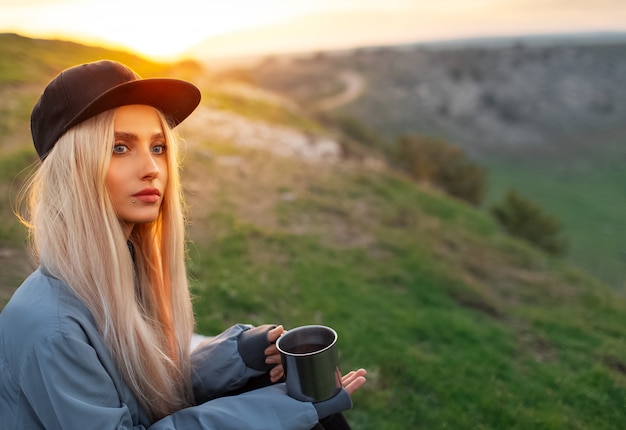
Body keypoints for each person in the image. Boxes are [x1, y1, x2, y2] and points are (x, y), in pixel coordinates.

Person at [0, 60, 366, 429]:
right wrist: (280, 409)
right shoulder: (54, 328)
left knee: (293, 388)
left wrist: (239, 354)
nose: (152, 169)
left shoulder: (124, 269)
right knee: (298, 408)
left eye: (157, 147)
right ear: (73, 169)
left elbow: (148, 389)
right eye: (120, 148)